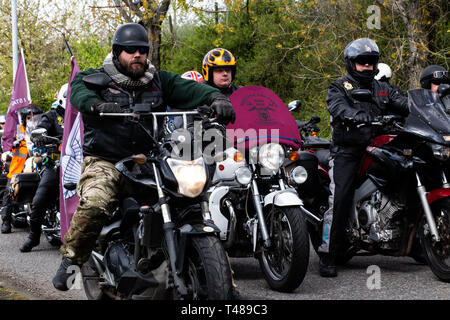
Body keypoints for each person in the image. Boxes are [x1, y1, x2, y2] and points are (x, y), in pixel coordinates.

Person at [52, 23, 235, 291]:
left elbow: (192, 90)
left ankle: (224, 283)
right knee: (94, 203)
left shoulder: (159, 79)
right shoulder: (96, 77)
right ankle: (71, 260)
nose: (136, 54)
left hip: (150, 157)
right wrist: (98, 104)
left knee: (191, 204)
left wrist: (217, 98)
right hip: (106, 159)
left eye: (141, 50)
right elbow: (79, 93)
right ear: (117, 52)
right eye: (129, 50)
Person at [318, 38, 409, 277]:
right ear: (351, 63)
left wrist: (419, 108)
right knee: (340, 197)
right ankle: (328, 253)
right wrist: (356, 115)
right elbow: (338, 108)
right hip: (348, 150)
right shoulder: (338, 87)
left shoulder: (383, 88)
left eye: (371, 61)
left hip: (379, 146)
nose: (367, 66)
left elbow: (402, 103)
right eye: (362, 62)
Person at [19, 85, 66, 252]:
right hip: (55, 164)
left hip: (79, 165)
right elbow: (41, 128)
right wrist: (40, 136)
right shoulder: (52, 115)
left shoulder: (82, 117)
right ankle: (34, 236)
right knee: (40, 200)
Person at [1, 104, 43, 233]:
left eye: (35, 117)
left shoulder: (43, 132)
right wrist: (8, 150)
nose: (32, 120)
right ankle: (6, 221)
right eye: (29, 118)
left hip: (37, 169)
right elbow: (6, 144)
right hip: (18, 171)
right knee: (10, 191)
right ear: (24, 119)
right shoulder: (18, 134)